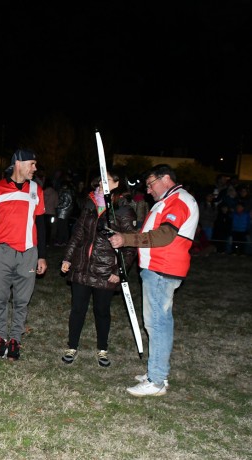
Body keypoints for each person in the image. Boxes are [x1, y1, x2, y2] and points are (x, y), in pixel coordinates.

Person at [109, 164, 199, 397]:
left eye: (151, 184)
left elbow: (165, 235)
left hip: (162, 269)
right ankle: (159, 373)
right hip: (162, 268)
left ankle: (156, 380)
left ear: (166, 178)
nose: (148, 190)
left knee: (156, 324)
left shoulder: (177, 201)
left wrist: (127, 239)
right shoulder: (171, 200)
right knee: (162, 323)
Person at [0, 148, 47, 360]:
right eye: (32, 164)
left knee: (22, 300)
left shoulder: (36, 190)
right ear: (19, 164)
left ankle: (15, 339)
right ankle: (0, 337)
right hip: (1, 252)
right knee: (2, 297)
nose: (35, 168)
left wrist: (42, 255)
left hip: (28, 253)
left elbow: (40, 224)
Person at [60, 172, 137, 367]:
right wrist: (68, 258)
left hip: (105, 270)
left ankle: (102, 349)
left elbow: (129, 246)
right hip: (82, 267)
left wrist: (119, 271)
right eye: (101, 181)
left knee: (101, 311)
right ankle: (72, 347)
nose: (103, 185)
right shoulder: (89, 204)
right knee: (77, 309)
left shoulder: (123, 210)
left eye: (108, 181)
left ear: (117, 183)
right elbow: (78, 234)